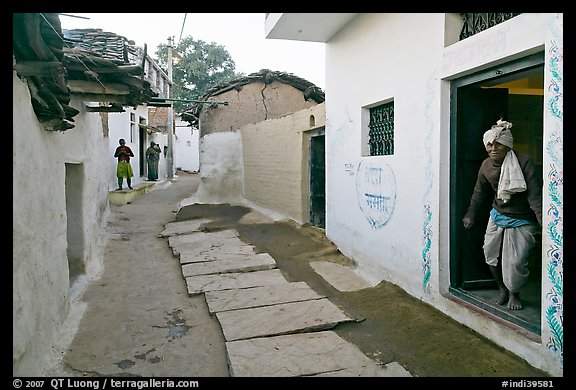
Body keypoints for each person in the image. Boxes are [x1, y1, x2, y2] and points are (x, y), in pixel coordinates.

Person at [462, 119, 542, 310]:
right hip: (497, 214)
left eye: (498, 144)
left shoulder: (524, 162)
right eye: (489, 144)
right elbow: (479, 192)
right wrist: (470, 213)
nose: (493, 148)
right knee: (489, 253)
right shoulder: (486, 166)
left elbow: (534, 194)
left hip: (522, 218)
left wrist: (543, 220)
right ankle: (502, 289)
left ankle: (514, 293)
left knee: (515, 262)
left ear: (508, 145)